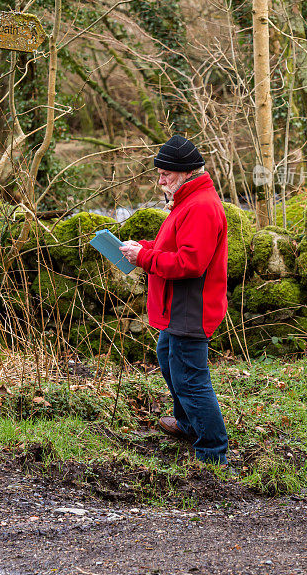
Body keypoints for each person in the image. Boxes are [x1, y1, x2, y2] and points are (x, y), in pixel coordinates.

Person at [120, 134, 229, 466]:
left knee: (190, 378)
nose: (160, 180)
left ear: (185, 172)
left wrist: (145, 259)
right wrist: (142, 249)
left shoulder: (201, 207)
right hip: (178, 307)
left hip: (190, 308)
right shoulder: (188, 202)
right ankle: (187, 424)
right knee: (168, 357)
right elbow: (174, 248)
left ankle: (212, 450)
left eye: (165, 173)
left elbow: (190, 263)